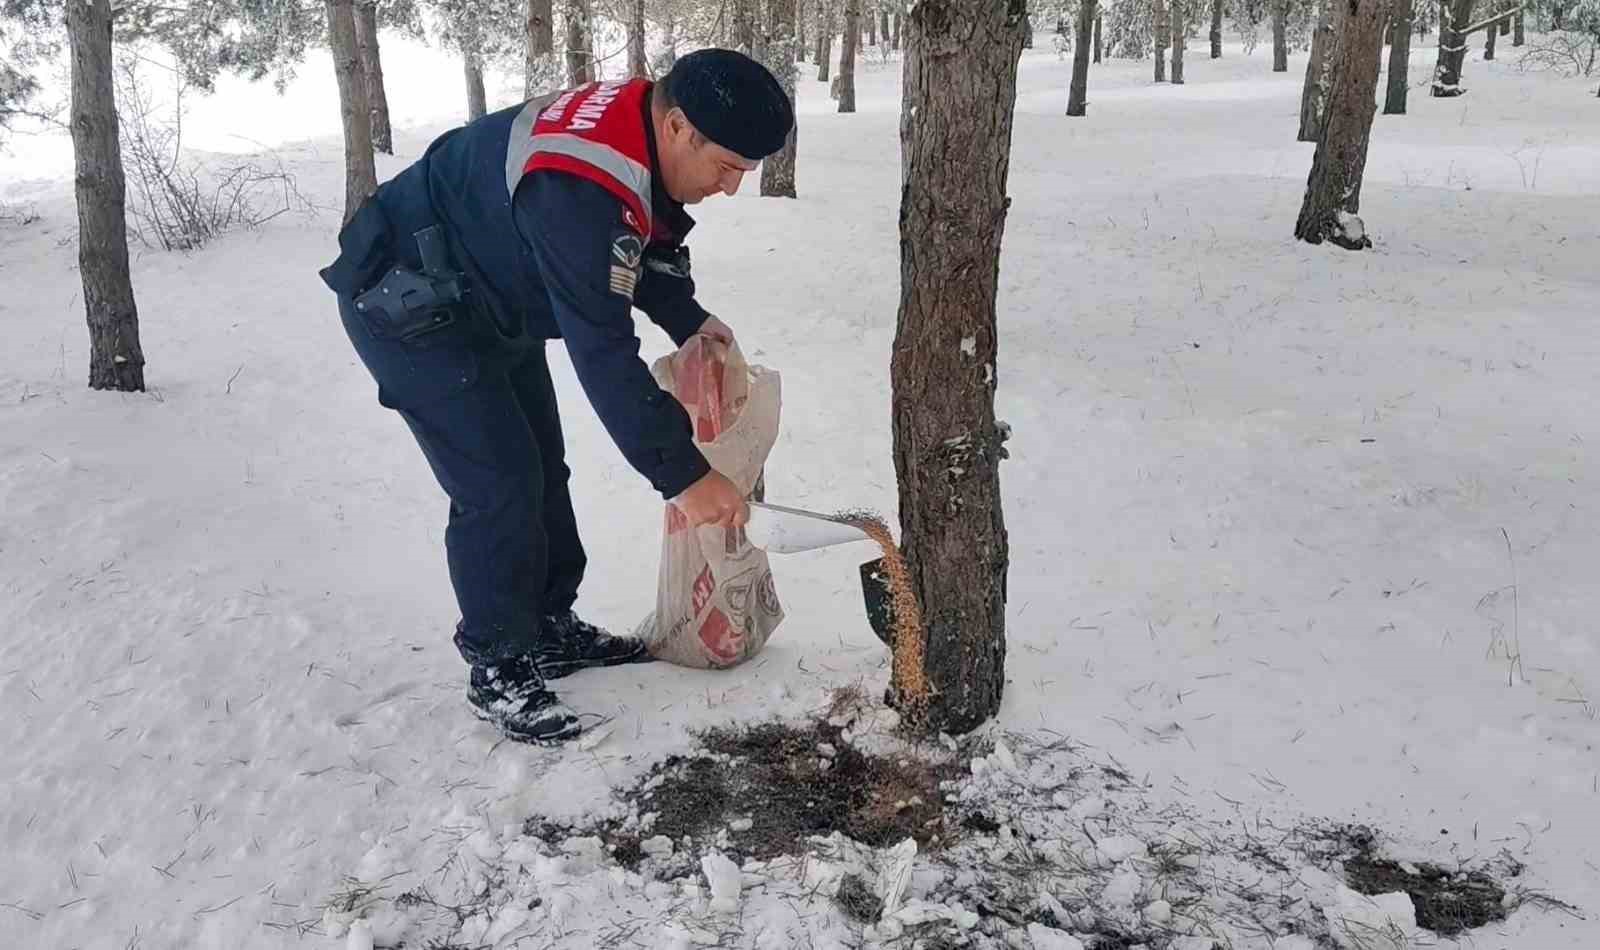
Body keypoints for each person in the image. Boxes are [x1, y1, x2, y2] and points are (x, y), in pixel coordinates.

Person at [317, 50, 795, 744]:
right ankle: (498, 665)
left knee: (543, 462)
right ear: (681, 128)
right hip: (407, 303)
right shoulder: (579, 189)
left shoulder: (640, 126)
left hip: (483, 290)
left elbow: (641, 233)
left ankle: (545, 625)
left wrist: (688, 319)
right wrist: (684, 476)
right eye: (726, 167)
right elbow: (602, 350)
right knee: (499, 483)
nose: (729, 189)